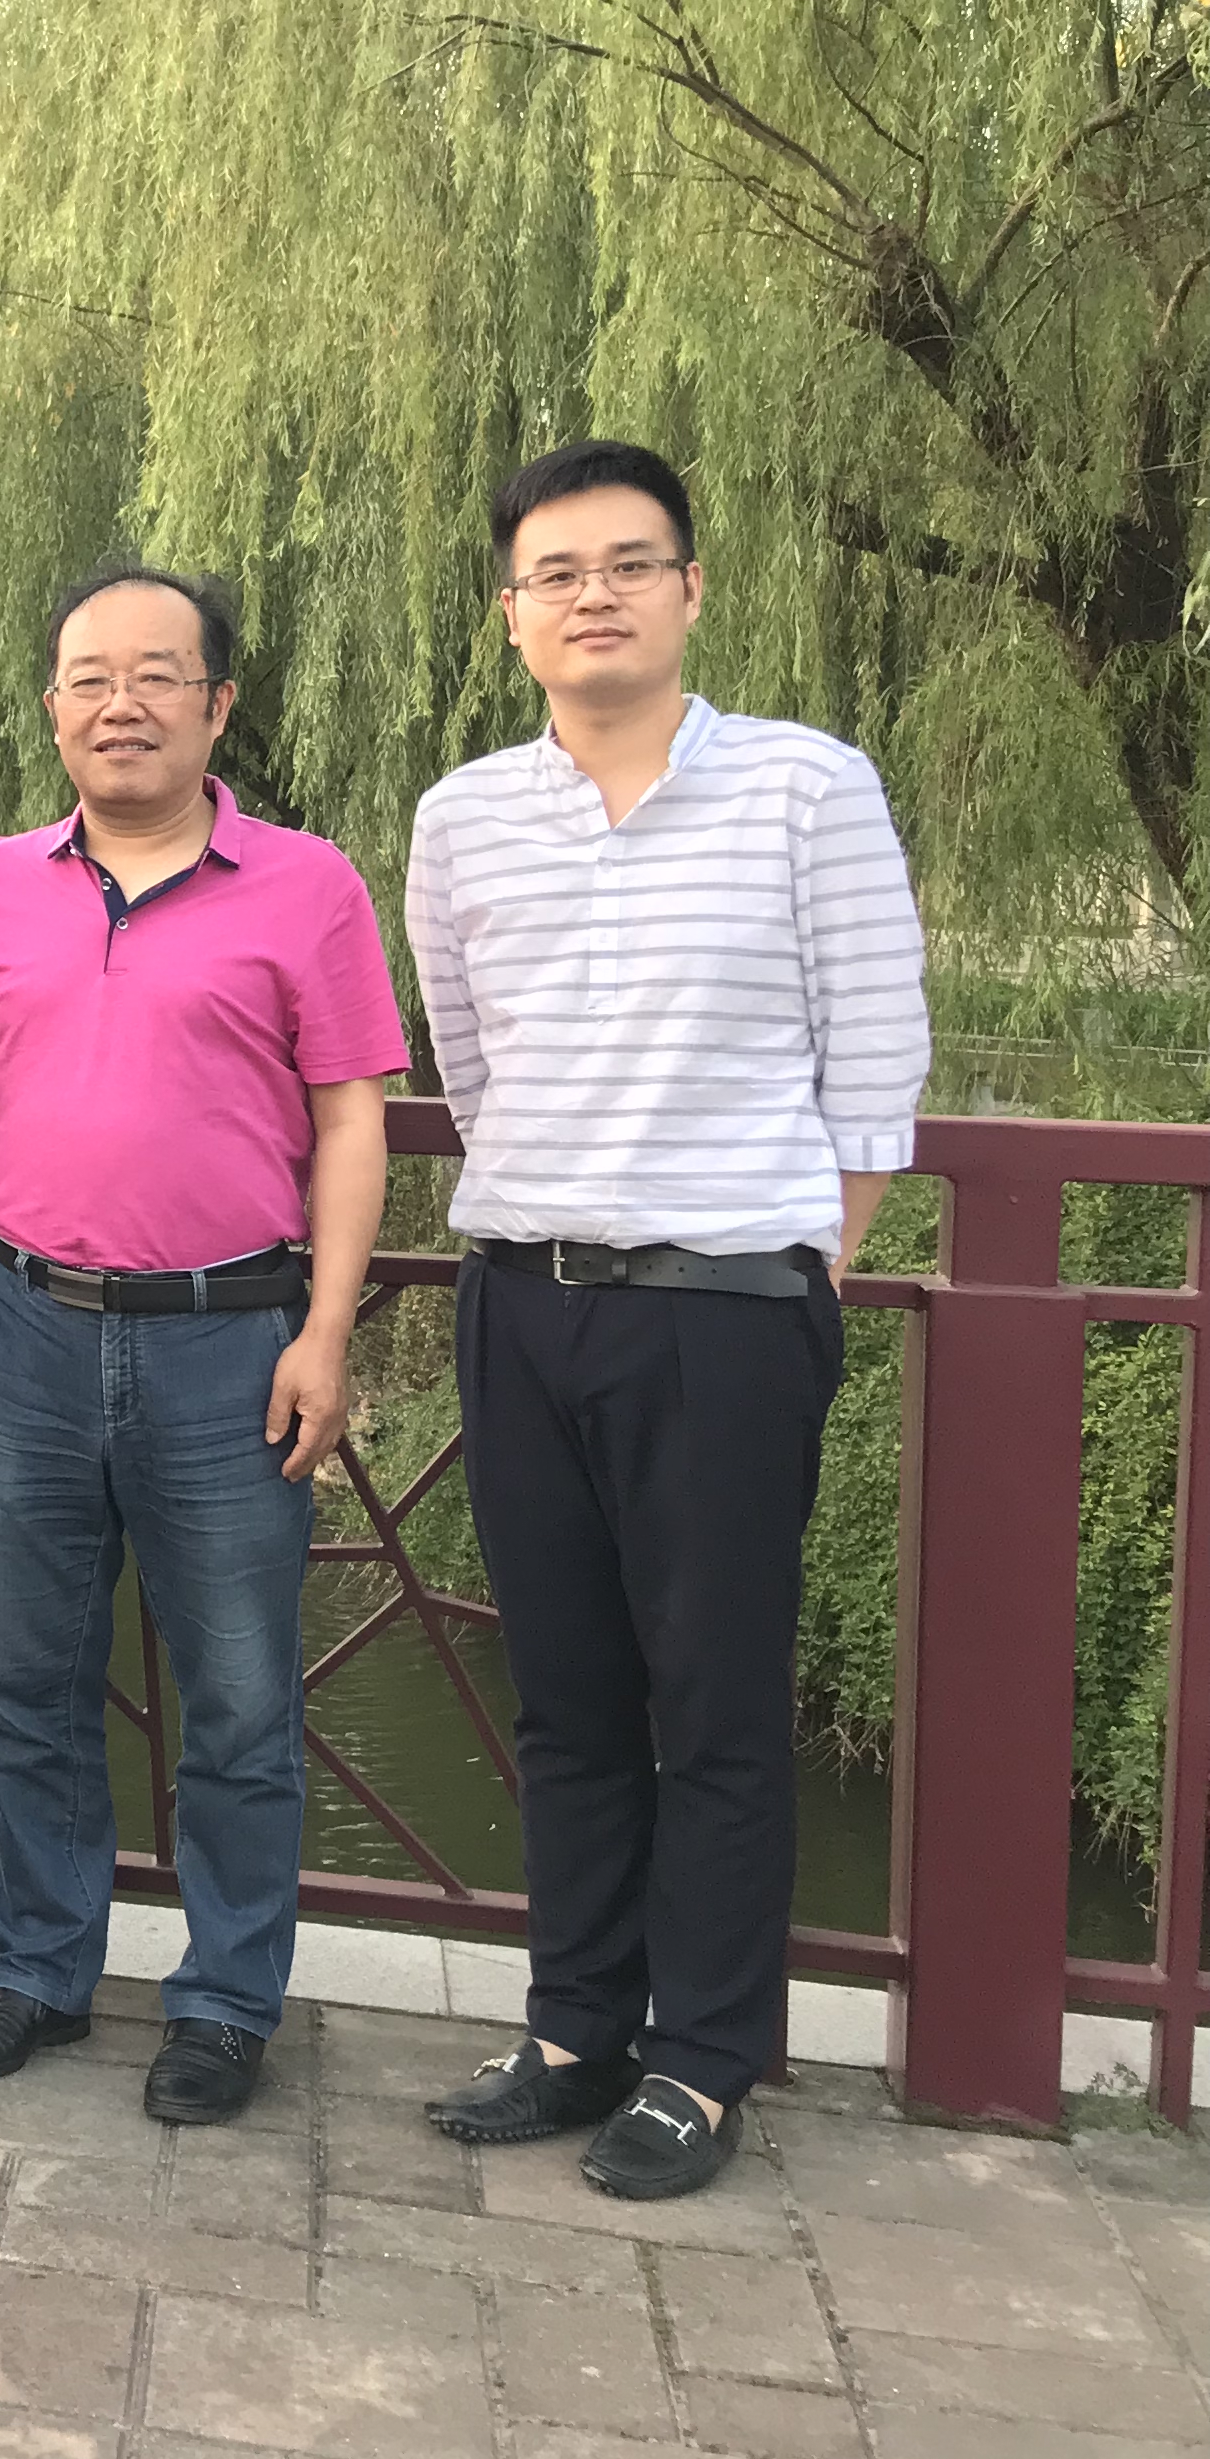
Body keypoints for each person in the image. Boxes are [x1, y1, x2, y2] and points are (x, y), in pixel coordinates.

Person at [404, 440, 925, 2198]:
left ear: (691, 590)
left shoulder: (806, 788)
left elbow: (876, 1069)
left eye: (630, 564)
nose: (595, 596)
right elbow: (472, 1062)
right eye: (557, 574)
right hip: (521, 1300)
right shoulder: (463, 815)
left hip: (724, 1316)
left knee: (714, 1704)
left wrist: (797, 1264)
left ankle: (702, 2059)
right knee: (562, 1696)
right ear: (513, 615)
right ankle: (574, 2029)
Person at [0, 565, 406, 2126]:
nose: (121, 705)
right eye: (89, 678)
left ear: (217, 704)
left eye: (157, 676)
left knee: (240, 1702)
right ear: (53, 706)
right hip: (24, 1329)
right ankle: (40, 1970)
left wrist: (328, 1328)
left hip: (228, 1342)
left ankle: (227, 2001)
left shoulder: (308, 885)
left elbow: (351, 1117)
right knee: (27, 1683)